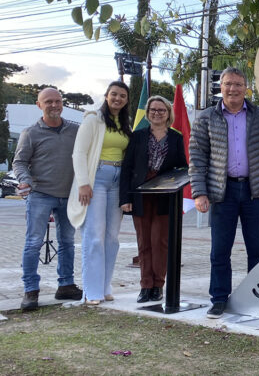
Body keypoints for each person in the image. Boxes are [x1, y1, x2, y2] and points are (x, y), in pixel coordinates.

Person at [189, 67, 259, 319]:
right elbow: (197, 158)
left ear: (246, 88)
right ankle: (219, 299)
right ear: (220, 87)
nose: (232, 88)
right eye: (228, 84)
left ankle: (257, 299)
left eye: (238, 84)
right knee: (220, 250)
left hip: (254, 191)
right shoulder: (206, 117)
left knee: (256, 249)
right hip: (222, 192)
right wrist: (199, 192)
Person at [14, 88, 82, 310]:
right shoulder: (30, 133)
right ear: (39, 105)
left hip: (69, 196)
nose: (54, 105)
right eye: (49, 102)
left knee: (67, 243)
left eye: (58, 101)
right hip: (40, 195)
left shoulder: (75, 130)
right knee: (33, 243)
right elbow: (20, 162)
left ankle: (66, 285)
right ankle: (31, 291)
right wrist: (25, 181)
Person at [67, 80, 132, 305]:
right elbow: (79, 153)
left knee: (112, 238)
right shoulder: (93, 119)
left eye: (122, 96)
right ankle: (91, 291)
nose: (118, 99)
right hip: (96, 179)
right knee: (94, 236)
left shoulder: (125, 123)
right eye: (114, 94)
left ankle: (104, 287)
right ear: (106, 96)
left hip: (117, 180)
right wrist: (84, 183)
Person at [120, 96, 188, 303]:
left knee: (160, 241)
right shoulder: (137, 136)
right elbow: (127, 169)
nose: (157, 113)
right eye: (153, 109)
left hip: (164, 197)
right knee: (144, 242)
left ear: (168, 113)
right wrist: (125, 198)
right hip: (140, 196)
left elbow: (182, 167)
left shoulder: (176, 138)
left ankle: (158, 285)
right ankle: (145, 286)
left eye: (161, 110)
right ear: (148, 112)